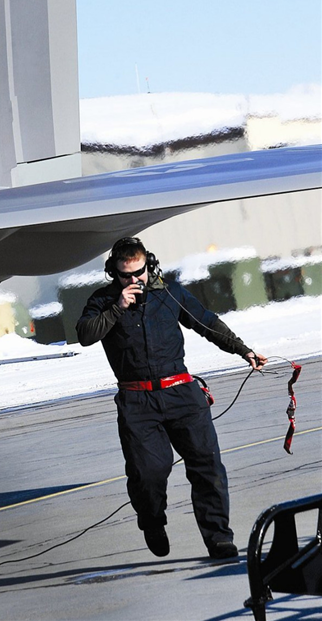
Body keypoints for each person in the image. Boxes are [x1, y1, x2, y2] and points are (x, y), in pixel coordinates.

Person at [76, 237, 267, 560]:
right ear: (114, 273)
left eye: (139, 272)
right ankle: (152, 520)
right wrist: (118, 307)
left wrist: (242, 349)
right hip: (138, 401)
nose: (134, 280)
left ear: (149, 265)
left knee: (207, 465)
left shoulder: (169, 293)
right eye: (125, 275)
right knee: (149, 473)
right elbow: (85, 334)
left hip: (181, 393)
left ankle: (219, 538)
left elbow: (206, 322)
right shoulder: (103, 301)